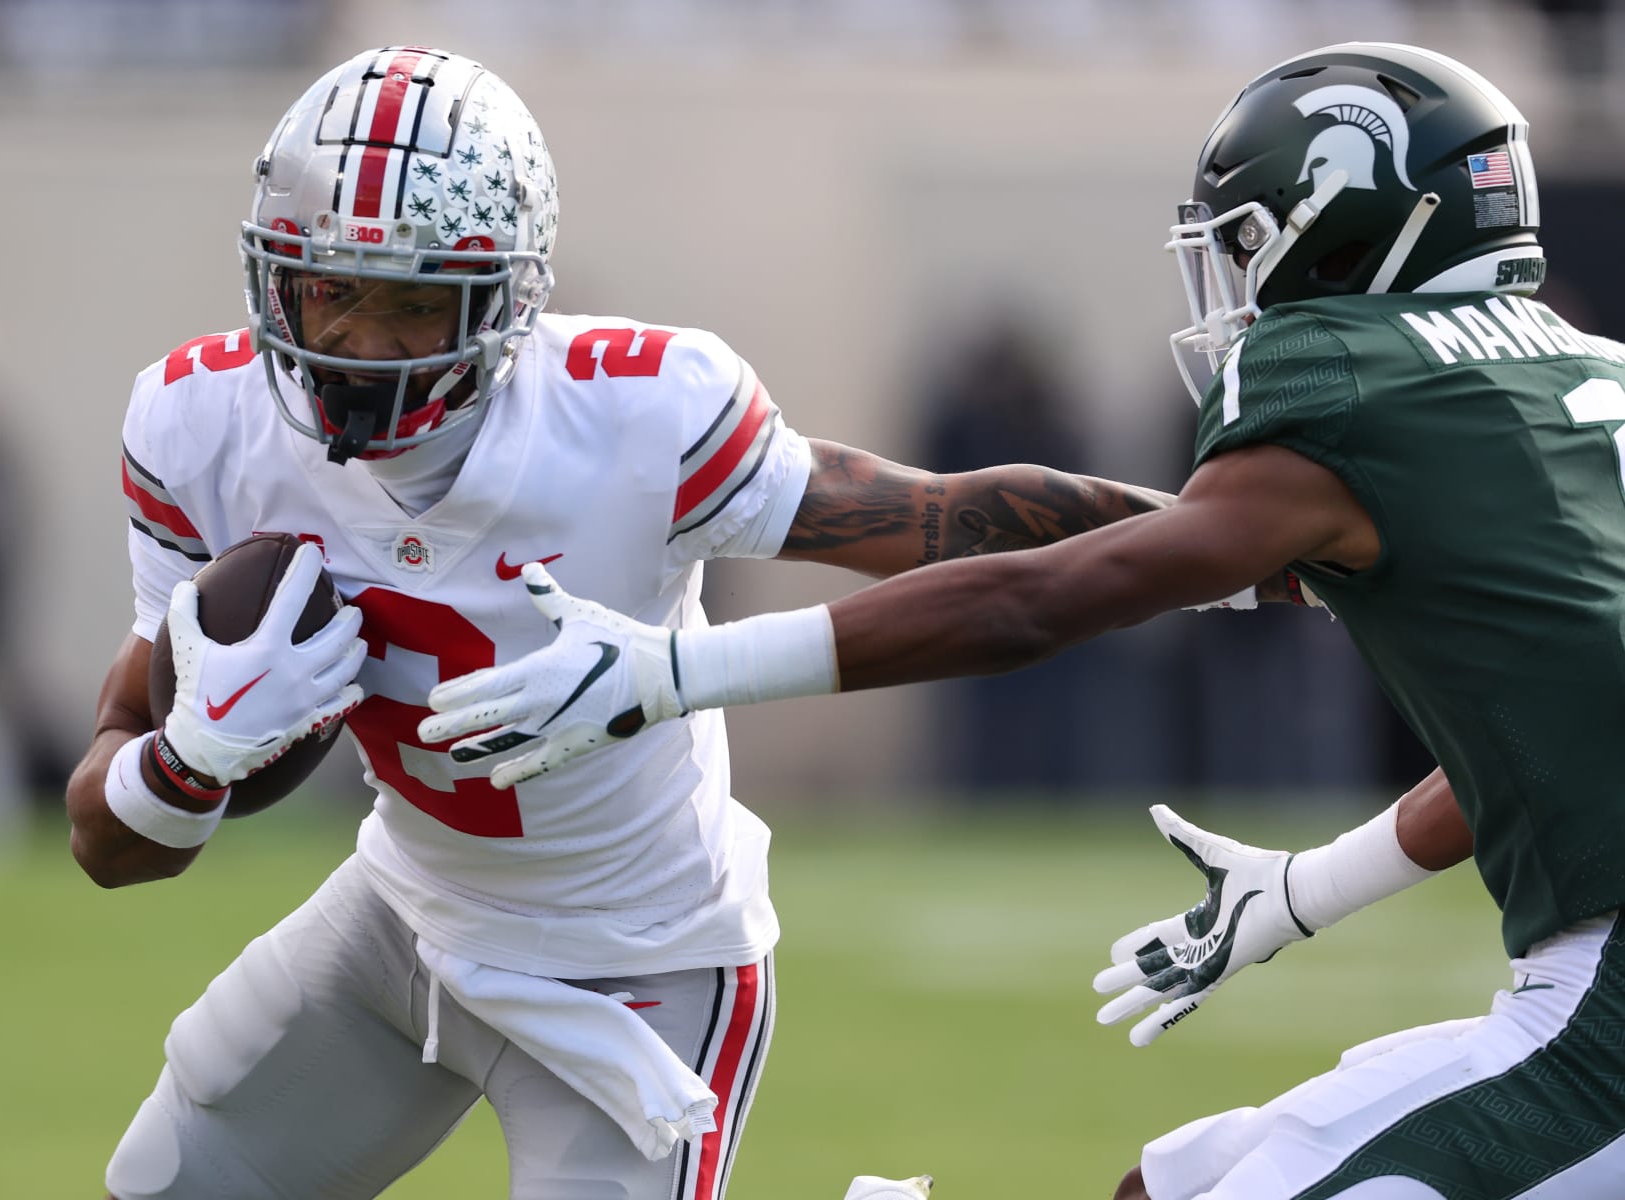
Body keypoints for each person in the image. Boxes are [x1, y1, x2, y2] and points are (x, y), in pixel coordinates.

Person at [421, 41, 1625, 1199]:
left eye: (1247, 242)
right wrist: (1306, 890)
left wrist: (674, 672)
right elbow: (1555, 729)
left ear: (1347, 217)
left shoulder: (1362, 380)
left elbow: (1039, 597)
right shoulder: (1582, 382)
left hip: (1605, 1010)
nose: (1238, 282)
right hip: (1586, 980)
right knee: (1172, 1181)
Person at [64, 45, 1199, 1200]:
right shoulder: (204, 426)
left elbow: (944, 520)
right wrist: (185, 761)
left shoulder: (635, 416)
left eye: (412, 303)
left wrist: (1240, 547)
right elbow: (108, 848)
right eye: (329, 289)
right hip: (404, 914)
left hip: (642, 965)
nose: (355, 345)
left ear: (505, 297)